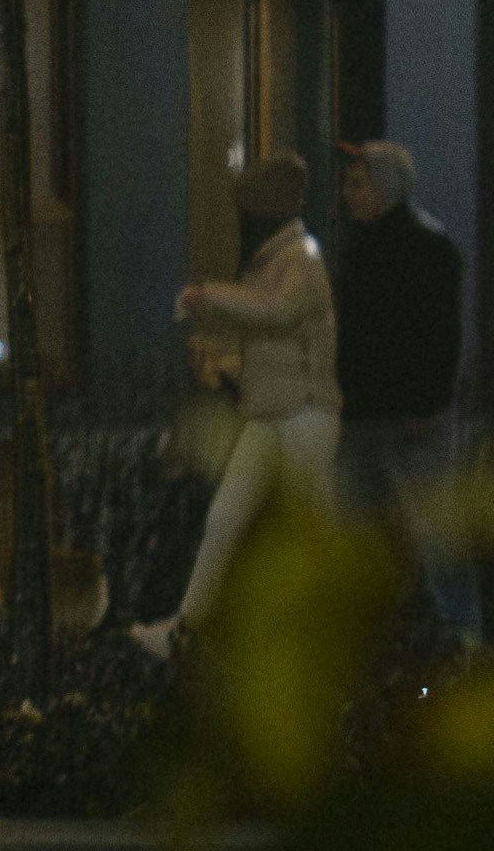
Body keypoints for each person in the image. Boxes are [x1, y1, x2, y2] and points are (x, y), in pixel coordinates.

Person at [131, 150, 340, 657]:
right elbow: (268, 330)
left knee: (308, 532)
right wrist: (226, 363)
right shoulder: (276, 261)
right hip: (274, 415)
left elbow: (281, 312)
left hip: (304, 415)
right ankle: (189, 630)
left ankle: (334, 640)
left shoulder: (301, 260)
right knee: (226, 518)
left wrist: (209, 297)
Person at [333, 134, 478, 636]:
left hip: (407, 423)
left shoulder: (421, 247)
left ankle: (459, 642)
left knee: (434, 543)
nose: (346, 193)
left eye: (357, 183)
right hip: (368, 419)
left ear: (385, 188)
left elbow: (441, 336)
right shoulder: (369, 246)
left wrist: (426, 405)